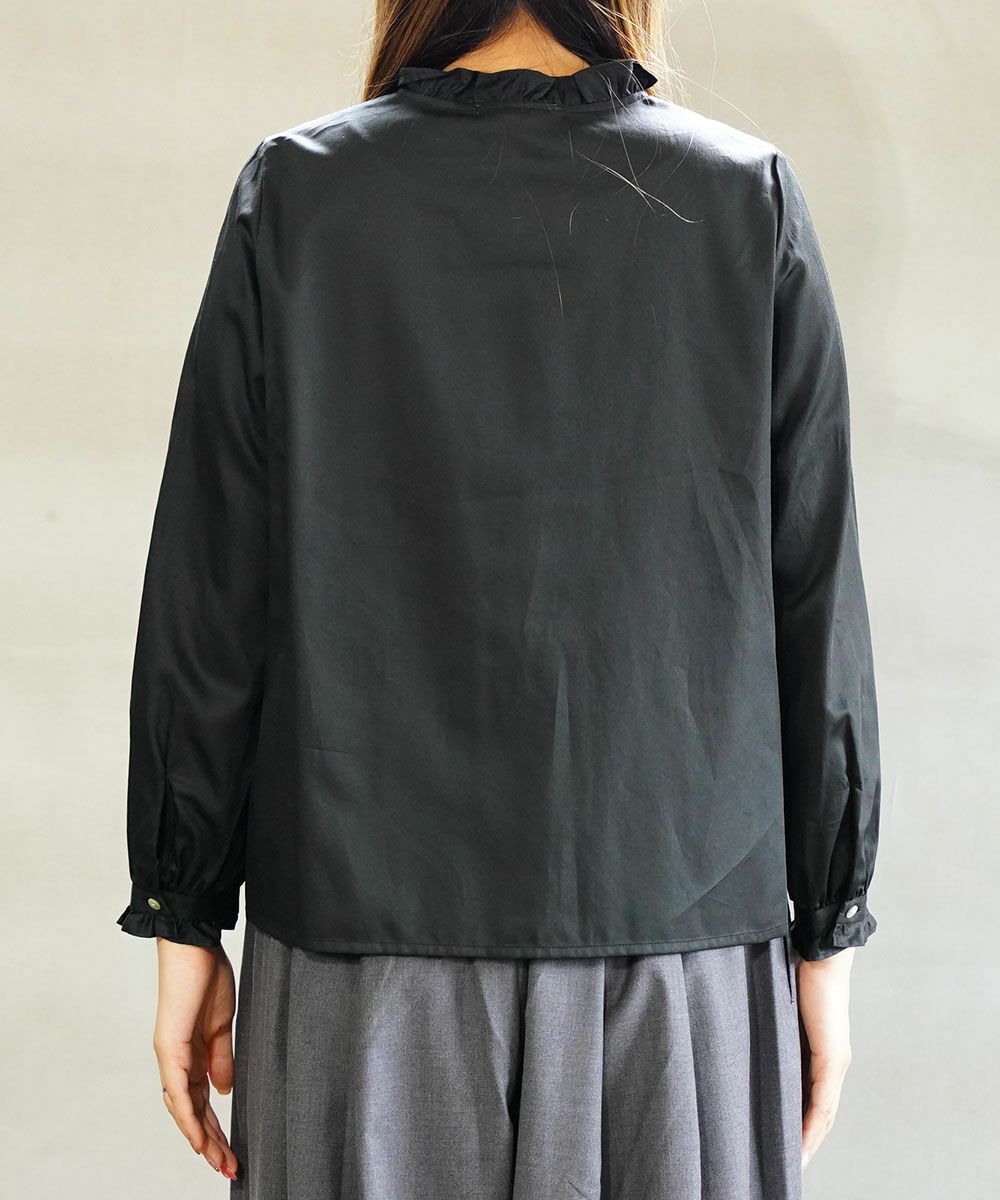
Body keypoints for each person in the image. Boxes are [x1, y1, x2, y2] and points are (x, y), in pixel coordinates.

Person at [116, 2, 882, 1197]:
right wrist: (828, 935)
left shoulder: (304, 193)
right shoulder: (743, 199)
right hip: (674, 947)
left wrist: (184, 912)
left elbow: (214, 590)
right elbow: (813, 598)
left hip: (364, 953)